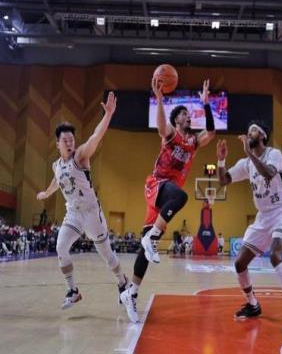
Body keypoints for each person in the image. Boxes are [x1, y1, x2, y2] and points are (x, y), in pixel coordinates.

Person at [120, 78, 215, 322]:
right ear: (176, 119)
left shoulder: (193, 142)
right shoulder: (171, 135)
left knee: (144, 251)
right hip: (157, 185)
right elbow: (162, 127)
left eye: (188, 114)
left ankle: (131, 293)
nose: (188, 116)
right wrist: (160, 99)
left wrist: (206, 104)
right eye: (183, 114)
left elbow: (211, 132)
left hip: (167, 197)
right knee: (182, 196)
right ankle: (153, 237)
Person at [36, 93, 130, 317]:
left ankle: (122, 281)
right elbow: (57, 181)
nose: (70, 143)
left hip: (91, 213)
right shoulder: (56, 165)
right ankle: (73, 291)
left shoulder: (80, 157)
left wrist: (108, 115)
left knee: (107, 256)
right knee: (61, 247)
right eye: (65, 141)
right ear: (58, 144)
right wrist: (46, 193)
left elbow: (96, 137)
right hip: (73, 214)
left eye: (72, 139)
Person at [216, 121, 282, 335]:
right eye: (248, 131)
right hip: (262, 218)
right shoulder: (246, 163)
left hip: (281, 213)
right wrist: (221, 160)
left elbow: (269, 173)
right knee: (240, 263)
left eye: (253, 131)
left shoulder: (274, 154)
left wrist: (250, 154)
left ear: (263, 136)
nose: (249, 133)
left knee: (275, 255)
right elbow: (223, 180)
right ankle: (252, 304)